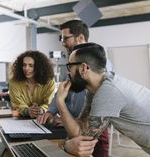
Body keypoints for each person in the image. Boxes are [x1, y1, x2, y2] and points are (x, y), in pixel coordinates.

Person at [56, 42, 150, 157]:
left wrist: (60, 103)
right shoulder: (95, 89)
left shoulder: (109, 91)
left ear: (83, 69)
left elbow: (82, 141)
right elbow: (80, 128)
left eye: (69, 66)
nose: (68, 72)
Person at [37, 20, 110, 157]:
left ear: (80, 38)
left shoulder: (101, 68)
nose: (63, 42)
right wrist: (53, 112)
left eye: (65, 38)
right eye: (61, 38)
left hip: (91, 128)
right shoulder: (73, 63)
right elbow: (63, 91)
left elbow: (84, 128)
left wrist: (65, 114)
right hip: (73, 124)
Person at [9, 50, 55, 118]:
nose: (26, 68)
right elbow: (17, 104)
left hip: (44, 118)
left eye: (31, 65)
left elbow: (50, 103)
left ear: (39, 67)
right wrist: (27, 111)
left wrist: (41, 110)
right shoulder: (14, 82)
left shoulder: (49, 81)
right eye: (24, 65)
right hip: (22, 119)